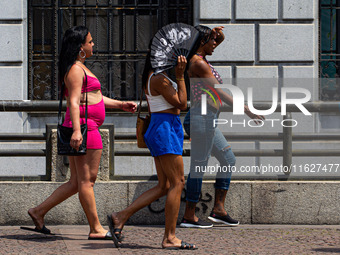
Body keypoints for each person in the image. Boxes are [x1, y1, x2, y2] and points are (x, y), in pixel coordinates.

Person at [25, 26, 137, 239]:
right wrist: (77, 131)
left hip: (86, 126)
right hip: (85, 128)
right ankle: (96, 229)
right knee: (87, 181)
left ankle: (38, 211)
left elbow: (94, 98)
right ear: (80, 47)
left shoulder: (80, 67)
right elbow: (74, 102)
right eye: (90, 41)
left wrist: (120, 104)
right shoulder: (76, 70)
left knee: (77, 182)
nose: (93, 44)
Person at [107, 43, 197, 250]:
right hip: (164, 128)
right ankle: (170, 237)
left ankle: (120, 217)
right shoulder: (158, 78)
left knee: (165, 185)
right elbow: (182, 103)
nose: (176, 57)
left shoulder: (157, 76)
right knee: (178, 182)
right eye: (172, 54)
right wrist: (181, 75)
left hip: (164, 127)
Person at [180, 25, 264, 229]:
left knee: (228, 159)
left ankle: (218, 210)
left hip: (207, 119)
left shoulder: (202, 60)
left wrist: (215, 33)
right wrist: (246, 110)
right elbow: (219, 91)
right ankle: (189, 216)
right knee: (199, 166)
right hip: (202, 119)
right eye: (212, 41)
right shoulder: (198, 63)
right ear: (202, 42)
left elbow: (217, 42)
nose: (216, 44)